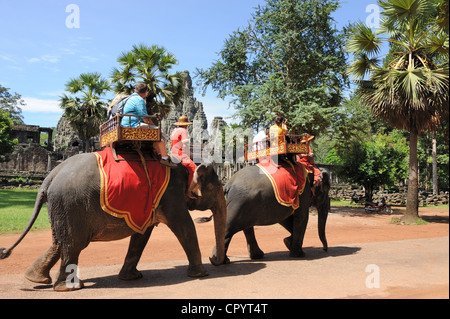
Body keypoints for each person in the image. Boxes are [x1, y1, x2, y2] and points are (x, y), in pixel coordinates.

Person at [121, 83, 177, 168]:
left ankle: (159, 153)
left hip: (126, 124)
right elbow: (145, 119)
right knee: (159, 131)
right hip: (133, 125)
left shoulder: (130, 98)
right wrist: (155, 125)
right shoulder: (139, 100)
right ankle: (164, 158)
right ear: (145, 92)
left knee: (156, 130)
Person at [170, 115, 197, 186]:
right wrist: (187, 156)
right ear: (186, 125)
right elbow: (185, 145)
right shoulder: (183, 131)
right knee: (194, 169)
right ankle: (190, 190)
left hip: (173, 153)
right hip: (180, 154)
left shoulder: (174, 130)